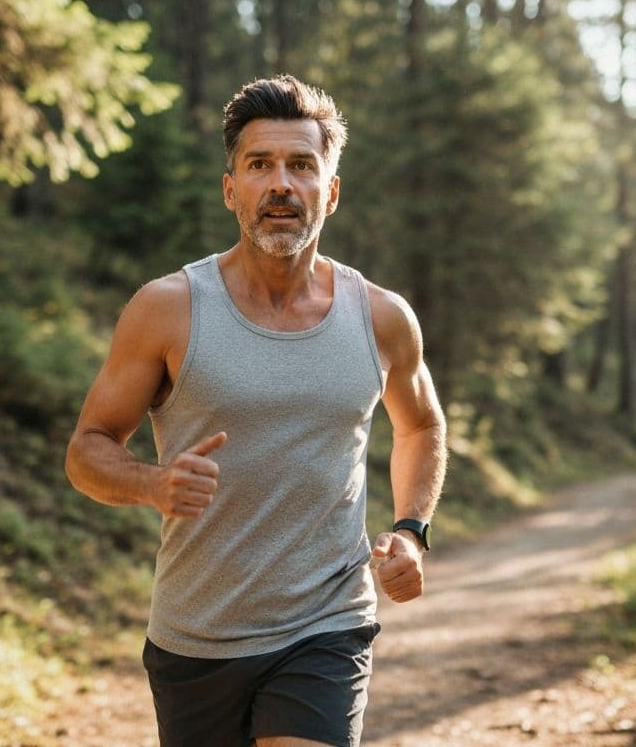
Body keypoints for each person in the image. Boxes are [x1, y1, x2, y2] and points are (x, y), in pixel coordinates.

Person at [65, 74, 447, 747]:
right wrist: (151, 483)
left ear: (329, 192)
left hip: (327, 624)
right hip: (197, 633)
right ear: (230, 188)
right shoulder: (168, 309)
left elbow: (420, 423)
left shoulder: (381, 317)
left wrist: (411, 529)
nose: (281, 184)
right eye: (260, 165)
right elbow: (87, 449)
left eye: (302, 166)